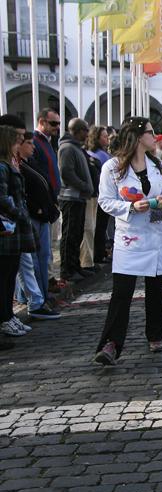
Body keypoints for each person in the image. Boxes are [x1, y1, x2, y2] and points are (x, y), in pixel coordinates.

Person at [93, 118, 162, 365]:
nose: (156, 137)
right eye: (151, 133)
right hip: (130, 238)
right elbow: (105, 201)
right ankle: (111, 344)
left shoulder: (157, 164)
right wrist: (130, 206)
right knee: (122, 292)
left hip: (157, 234)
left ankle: (155, 334)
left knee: (155, 289)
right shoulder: (112, 167)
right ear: (139, 137)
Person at [14, 127, 61, 320]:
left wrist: (49, 206)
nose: (33, 146)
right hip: (31, 217)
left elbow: (44, 183)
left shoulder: (30, 162)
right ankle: (34, 300)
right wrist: (38, 209)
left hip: (42, 216)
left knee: (41, 257)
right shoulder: (18, 166)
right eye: (29, 143)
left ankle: (39, 297)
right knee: (30, 262)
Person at [0, 125, 36, 337]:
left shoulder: (8, 165)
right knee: (4, 278)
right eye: (16, 142)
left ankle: (9, 316)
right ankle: (5, 318)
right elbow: (3, 198)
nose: (18, 146)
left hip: (14, 231)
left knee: (10, 276)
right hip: (7, 229)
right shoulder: (3, 167)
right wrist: (19, 213)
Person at [57, 118, 94, 282]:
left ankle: (75, 266)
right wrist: (84, 185)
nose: (88, 134)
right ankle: (67, 270)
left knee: (77, 234)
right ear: (78, 131)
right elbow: (67, 172)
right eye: (86, 130)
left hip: (79, 197)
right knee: (70, 234)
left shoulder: (76, 148)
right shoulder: (67, 148)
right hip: (71, 197)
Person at [28, 108, 62, 283]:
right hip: (41, 202)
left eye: (58, 123)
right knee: (42, 248)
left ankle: (48, 278)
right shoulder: (34, 141)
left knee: (49, 245)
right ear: (42, 121)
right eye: (54, 123)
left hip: (51, 199)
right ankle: (45, 280)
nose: (57, 127)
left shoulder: (48, 142)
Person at [86, 126, 112, 265]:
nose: (107, 138)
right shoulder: (100, 155)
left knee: (100, 226)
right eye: (104, 136)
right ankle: (99, 254)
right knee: (100, 226)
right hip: (101, 194)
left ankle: (100, 253)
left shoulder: (100, 153)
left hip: (101, 193)